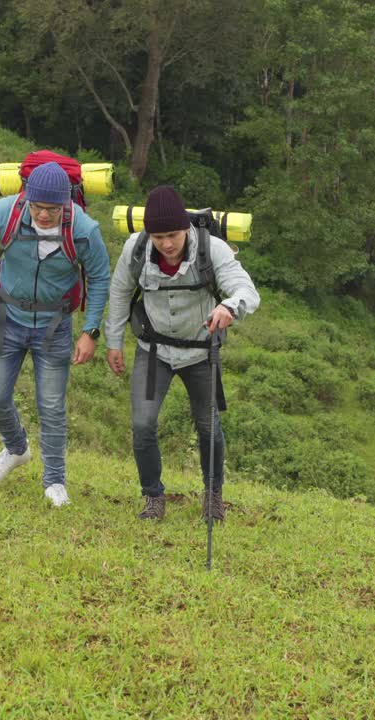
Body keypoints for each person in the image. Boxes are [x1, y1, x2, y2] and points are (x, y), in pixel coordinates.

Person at [0, 161, 111, 507]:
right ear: (27, 199)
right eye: (37, 207)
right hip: (8, 318)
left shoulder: (83, 229)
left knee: (50, 406)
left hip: (54, 326)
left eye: (51, 209)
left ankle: (55, 481)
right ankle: (16, 448)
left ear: (66, 204)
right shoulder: (10, 212)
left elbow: (101, 277)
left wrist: (91, 331)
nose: (43, 215)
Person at [103, 185, 260, 520]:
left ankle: (213, 496)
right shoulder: (136, 248)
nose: (167, 244)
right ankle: (153, 497)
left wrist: (230, 307)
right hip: (153, 351)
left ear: (185, 228)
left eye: (173, 234)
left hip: (202, 353)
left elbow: (246, 289)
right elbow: (119, 293)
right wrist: (113, 341)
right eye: (158, 237)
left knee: (208, 426)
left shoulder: (212, 249)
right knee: (143, 424)